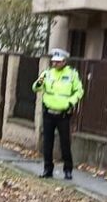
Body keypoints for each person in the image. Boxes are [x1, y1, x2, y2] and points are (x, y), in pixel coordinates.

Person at [32, 48, 84, 179]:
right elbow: (35, 88)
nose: (54, 64)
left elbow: (79, 91)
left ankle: (68, 169)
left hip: (63, 114)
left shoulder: (72, 74)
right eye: (53, 61)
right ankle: (47, 169)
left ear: (64, 62)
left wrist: (70, 103)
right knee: (47, 143)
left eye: (58, 62)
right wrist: (39, 83)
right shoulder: (47, 73)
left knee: (65, 143)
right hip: (48, 113)